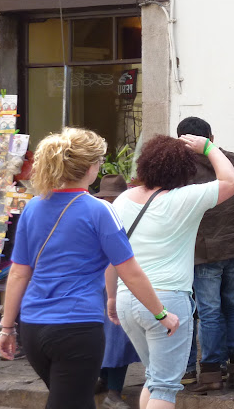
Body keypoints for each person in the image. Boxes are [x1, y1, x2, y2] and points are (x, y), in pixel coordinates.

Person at [0, 128, 179, 409]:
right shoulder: (100, 211)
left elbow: (19, 273)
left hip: (33, 327)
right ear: (90, 168)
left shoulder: (33, 208)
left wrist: (8, 327)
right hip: (77, 326)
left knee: (75, 399)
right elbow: (130, 272)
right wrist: (161, 313)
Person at [108, 134, 234, 409]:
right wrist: (209, 148)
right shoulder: (185, 198)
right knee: (165, 387)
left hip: (127, 298)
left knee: (154, 378)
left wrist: (111, 297)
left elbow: (113, 258)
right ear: (184, 170)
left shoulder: (122, 201)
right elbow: (231, 181)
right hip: (168, 300)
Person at [176, 116, 234, 394]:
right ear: (211, 137)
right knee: (233, 307)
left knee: (209, 311)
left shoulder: (182, 169)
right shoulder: (233, 160)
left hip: (204, 251)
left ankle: (211, 371)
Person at [95, 174, 142, 409]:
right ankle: (109, 387)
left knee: (114, 336)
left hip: (114, 281)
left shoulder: (106, 214)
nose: (111, 202)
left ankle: (110, 385)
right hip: (106, 282)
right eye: (108, 198)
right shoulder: (102, 215)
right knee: (110, 336)